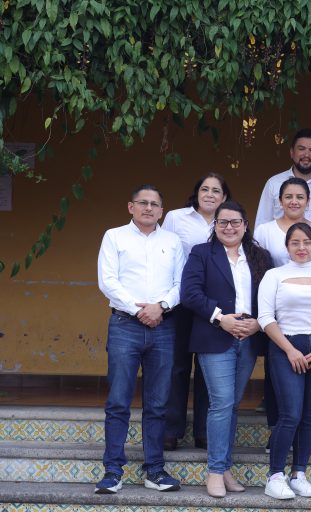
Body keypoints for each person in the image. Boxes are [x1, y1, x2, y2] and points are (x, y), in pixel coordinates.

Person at [95, 184, 184, 494]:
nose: (148, 208)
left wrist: (161, 306)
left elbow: (180, 283)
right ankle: (112, 471)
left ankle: (155, 470)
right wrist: (140, 310)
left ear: (161, 211)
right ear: (130, 207)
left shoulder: (172, 241)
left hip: (163, 327)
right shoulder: (114, 236)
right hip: (125, 325)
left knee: (158, 404)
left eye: (154, 204)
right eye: (142, 203)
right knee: (118, 401)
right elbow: (108, 281)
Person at [181, 201, 273, 497]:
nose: (229, 227)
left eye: (235, 222)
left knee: (232, 404)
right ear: (215, 225)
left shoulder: (260, 256)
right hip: (215, 335)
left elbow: (272, 294)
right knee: (221, 403)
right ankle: (215, 471)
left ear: (245, 225)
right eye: (223, 222)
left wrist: (259, 323)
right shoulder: (201, 253)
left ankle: (225, 468)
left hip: (248, 336)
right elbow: (190, 293)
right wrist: (221, 318)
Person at [257, 223, 311, 500]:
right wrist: (290, 350)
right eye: (295, 242)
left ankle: (299, 474)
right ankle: (275, 476)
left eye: (307, 242)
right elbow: (265, 317)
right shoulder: (274, 275)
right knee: (290, 414)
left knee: (309, 415)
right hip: (286, 348)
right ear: (287, 247)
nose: (301, 247)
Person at [162, 172, 230, 452]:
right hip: (180, 301)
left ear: (224, 197)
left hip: (211, 305)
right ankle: (171, 430)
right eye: (205, 189)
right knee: (176, 366)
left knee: (207, 368)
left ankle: (204, 431)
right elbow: (164, 254)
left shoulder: (226, 222)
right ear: (197, 192)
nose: (210, 194)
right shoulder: (176, 218)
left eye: (216, 190)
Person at [255, 128, 311, 226]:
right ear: (292, 152)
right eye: (301, 149)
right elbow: (262, 223)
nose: (306, 154)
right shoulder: (274, 183)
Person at [254, 177, 311, 267]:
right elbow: (256, 266)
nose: (294, 202)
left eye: (300, 197)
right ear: (280, 201)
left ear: (308, 202)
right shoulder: (264, 231)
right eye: (288, 197)